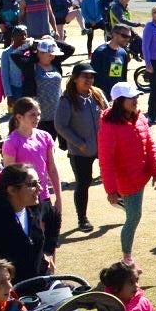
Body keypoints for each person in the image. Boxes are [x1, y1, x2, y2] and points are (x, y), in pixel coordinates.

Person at [97, 82, 156, 264]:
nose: (135, 100)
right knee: (134, 217)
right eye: (131, 98)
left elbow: (151, 144)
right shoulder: (109, 126)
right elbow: (106, 161)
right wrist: (111, 190)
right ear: (119, 101)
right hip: (128, 182)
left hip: (143, 172)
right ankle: (127, 257)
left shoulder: (140, 118)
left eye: (136, 97)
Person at [0, 97, 62, 264]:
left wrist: (59, 199)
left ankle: (51, 276)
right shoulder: (11, 142)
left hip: (44, 197)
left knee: (50, 239)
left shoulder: (45, 137)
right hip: (26, 201)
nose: (37, 118)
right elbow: (9, 176)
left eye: (38, 114)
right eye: (32, 115)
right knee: (36, 242)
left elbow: (53, 170)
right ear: (19, 117)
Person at [55, 64, 103, 231]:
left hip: (102, 146)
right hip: (80, 151)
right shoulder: (67, 99)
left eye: (91, 76)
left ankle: (120, 201)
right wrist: (79, 143)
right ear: (75, 78)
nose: (89, 79)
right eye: (85, 76)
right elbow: (60, 125)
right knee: (84, 183)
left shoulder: (96, 94)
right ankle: (82, 219)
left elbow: (107, 113)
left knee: (115, 174)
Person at [90, 24, 134, 102]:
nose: (127, 39)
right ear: (114, 34)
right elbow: (93, 77)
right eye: (124, 36)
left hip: (117, 97)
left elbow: (123, 77)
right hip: (101, 97)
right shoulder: (100, 52)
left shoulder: (123, 53)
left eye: (129, 37)